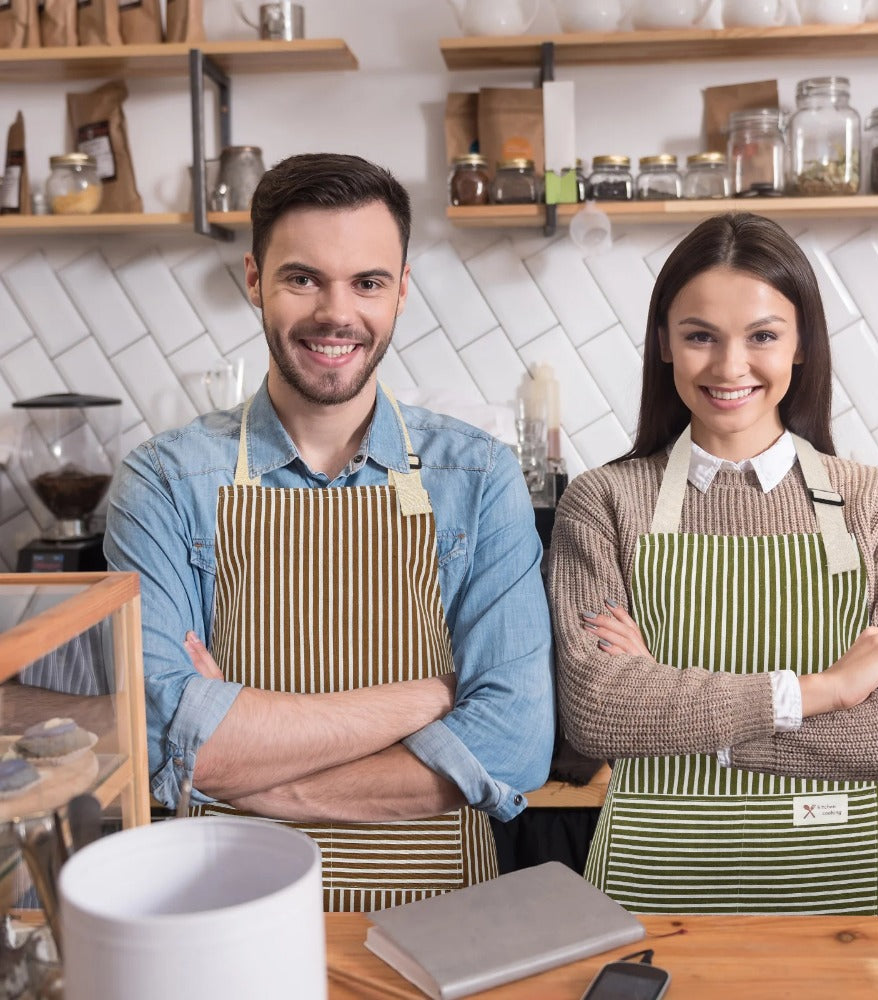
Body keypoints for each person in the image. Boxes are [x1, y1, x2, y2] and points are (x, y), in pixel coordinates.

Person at [105, 152, 555, 912]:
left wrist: (256, 781)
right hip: (224, 911)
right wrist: (429, 699)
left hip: (439, 913)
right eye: (303, 278)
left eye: (367, 283)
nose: (335, 313)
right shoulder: (164, 482)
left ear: (402, 290)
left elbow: (513, 744)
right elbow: (156, 738)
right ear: (254, 281)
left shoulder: (478, 477)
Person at [548, 212, 878, 916]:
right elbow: (596, 713)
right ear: (664, 344)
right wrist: (829, 689)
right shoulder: (604, 502)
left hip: (839, 889)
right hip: (657, 885)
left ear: (801, 345)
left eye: (762, 336)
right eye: (700, 336)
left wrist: (682, 723)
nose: (730, 367)